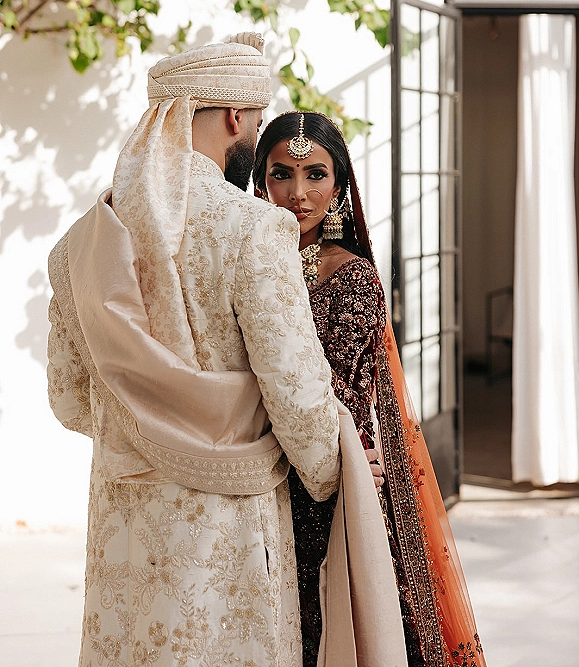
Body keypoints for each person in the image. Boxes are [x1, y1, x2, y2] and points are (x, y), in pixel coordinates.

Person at [46, 35, 346, 667]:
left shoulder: (83, 243)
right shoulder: (258, 230)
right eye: (258, 122)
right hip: (230, 533)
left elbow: (69, 400)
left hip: (124, 531)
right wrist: (334, 481)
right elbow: (300, 402)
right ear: (236, 117)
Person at [254, 110, 487, 667]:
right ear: (261, 179)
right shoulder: (251, 259)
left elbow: (324, 389)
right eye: (282, 173)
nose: (297, 193)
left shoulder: (349, 275)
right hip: (259, 467)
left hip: (333, 475)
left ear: (340, 185)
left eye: (316, 174)